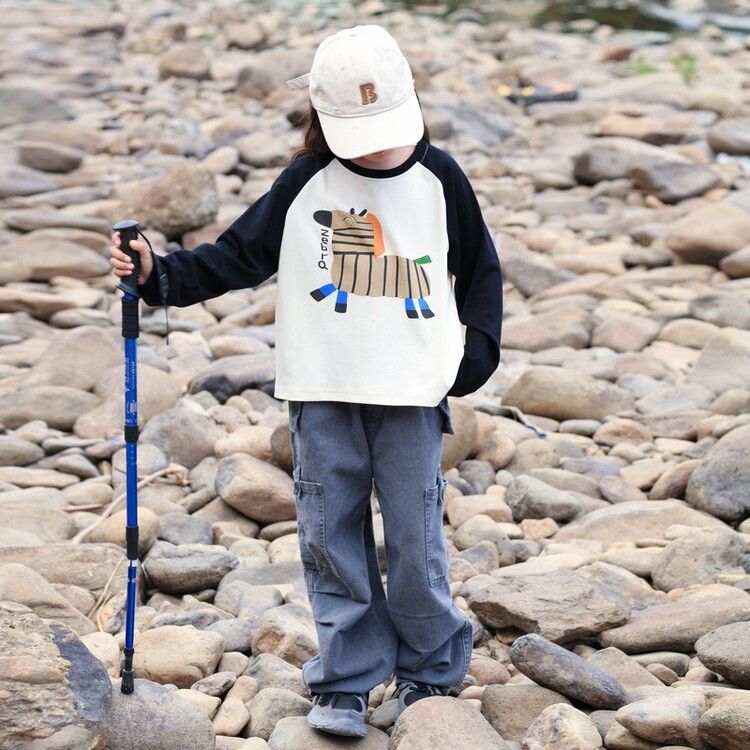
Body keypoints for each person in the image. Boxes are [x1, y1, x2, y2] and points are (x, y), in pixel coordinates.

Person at [110, 23, 503, 739]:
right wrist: (157, 276)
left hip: (413, 390)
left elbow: (480, 270)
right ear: (323, 121)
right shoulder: (305, 183)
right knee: (330, 535)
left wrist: (478, 350)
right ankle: (348, 681)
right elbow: (237, 256)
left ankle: (430, 673)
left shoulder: (439, 175)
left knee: (415, 537)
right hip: (323, 388)